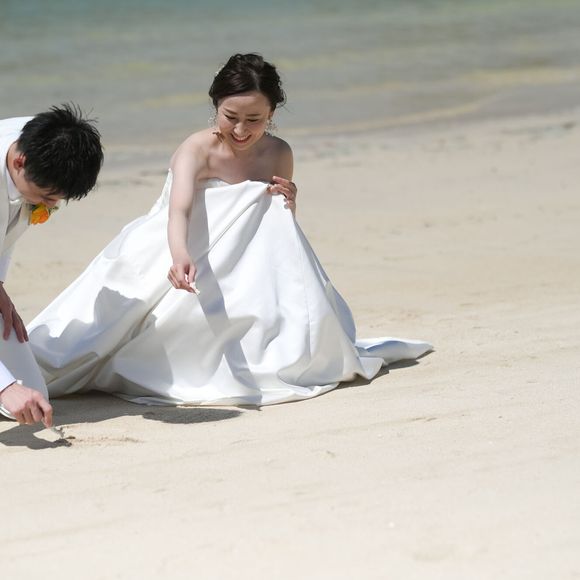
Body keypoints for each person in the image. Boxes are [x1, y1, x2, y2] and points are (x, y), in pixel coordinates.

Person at [28, 54, 431, 407]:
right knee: (98, 338)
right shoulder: (196, 149)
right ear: (215, 107)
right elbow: (178, 210)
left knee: (266, 208)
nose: (240, 130)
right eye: (230, 117)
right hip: (177, 242)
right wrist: (180, 255)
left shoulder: (279, 152)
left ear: (272, 113)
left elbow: (274, 225)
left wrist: (289, 201)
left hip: (242, 260)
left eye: (254, 120)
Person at [0, 104, 104, 426]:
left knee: (32, 394)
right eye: (47, 197)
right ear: (19, 162)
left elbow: (7, 232)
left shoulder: (45, 143)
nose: (51, 205)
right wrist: (4, 387)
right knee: (11, 393)